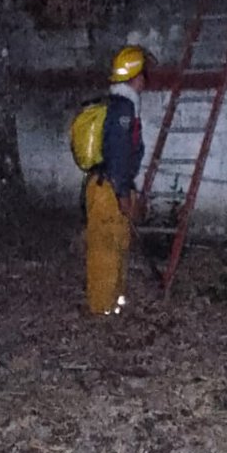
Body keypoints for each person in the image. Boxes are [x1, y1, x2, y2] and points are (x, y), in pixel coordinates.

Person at [85, 45, 147, 316]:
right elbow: (119, 155)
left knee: (119, 245)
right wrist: (123, 193)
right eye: (143, 74)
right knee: (106, 250)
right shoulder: (123, 111)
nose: (146, 80)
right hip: (109, 190)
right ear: (135, 76)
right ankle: (102, 309)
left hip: (111, 187)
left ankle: (115, 304)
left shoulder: (123, 105)